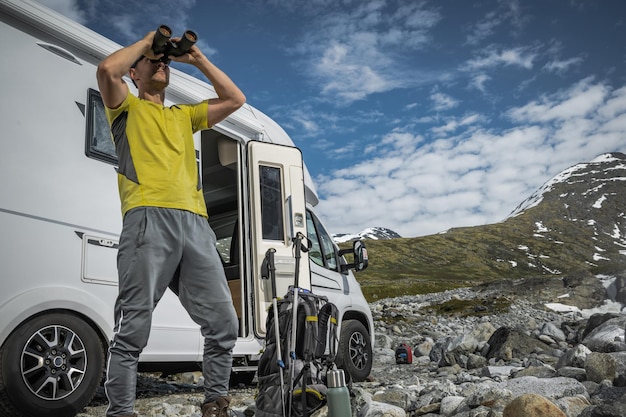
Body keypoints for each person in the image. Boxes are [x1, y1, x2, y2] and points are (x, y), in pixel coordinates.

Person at [96, 29, 246, 417]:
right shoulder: (124, 109)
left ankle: (215, 402)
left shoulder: (185, 115)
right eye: (153, 61)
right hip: (148, 219)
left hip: (196, 225)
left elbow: (235, 99)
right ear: (135, 73)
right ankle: (121, 412)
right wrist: (148, 42)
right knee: (133, 328)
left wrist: (196, 60)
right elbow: (107, 70)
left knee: (223, 322)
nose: (161, 63)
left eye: (164, 60)